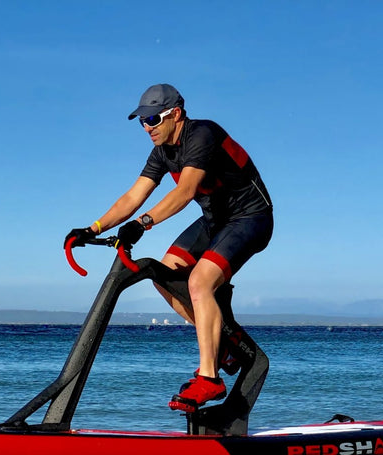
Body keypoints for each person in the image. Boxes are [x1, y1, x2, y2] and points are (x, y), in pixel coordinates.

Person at [65, 83, 273, 413]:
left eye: (153, 120)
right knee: (166, 274)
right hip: (214, 221)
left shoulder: (202, 134)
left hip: (250, 218)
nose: (147, 127)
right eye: (142, 121)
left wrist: (142, 224)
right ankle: (224, 346)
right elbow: (133, 197)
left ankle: (210, 377)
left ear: (175, 114)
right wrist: (92, 229)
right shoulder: (162, 150)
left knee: (199, 282)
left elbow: (186, 191)